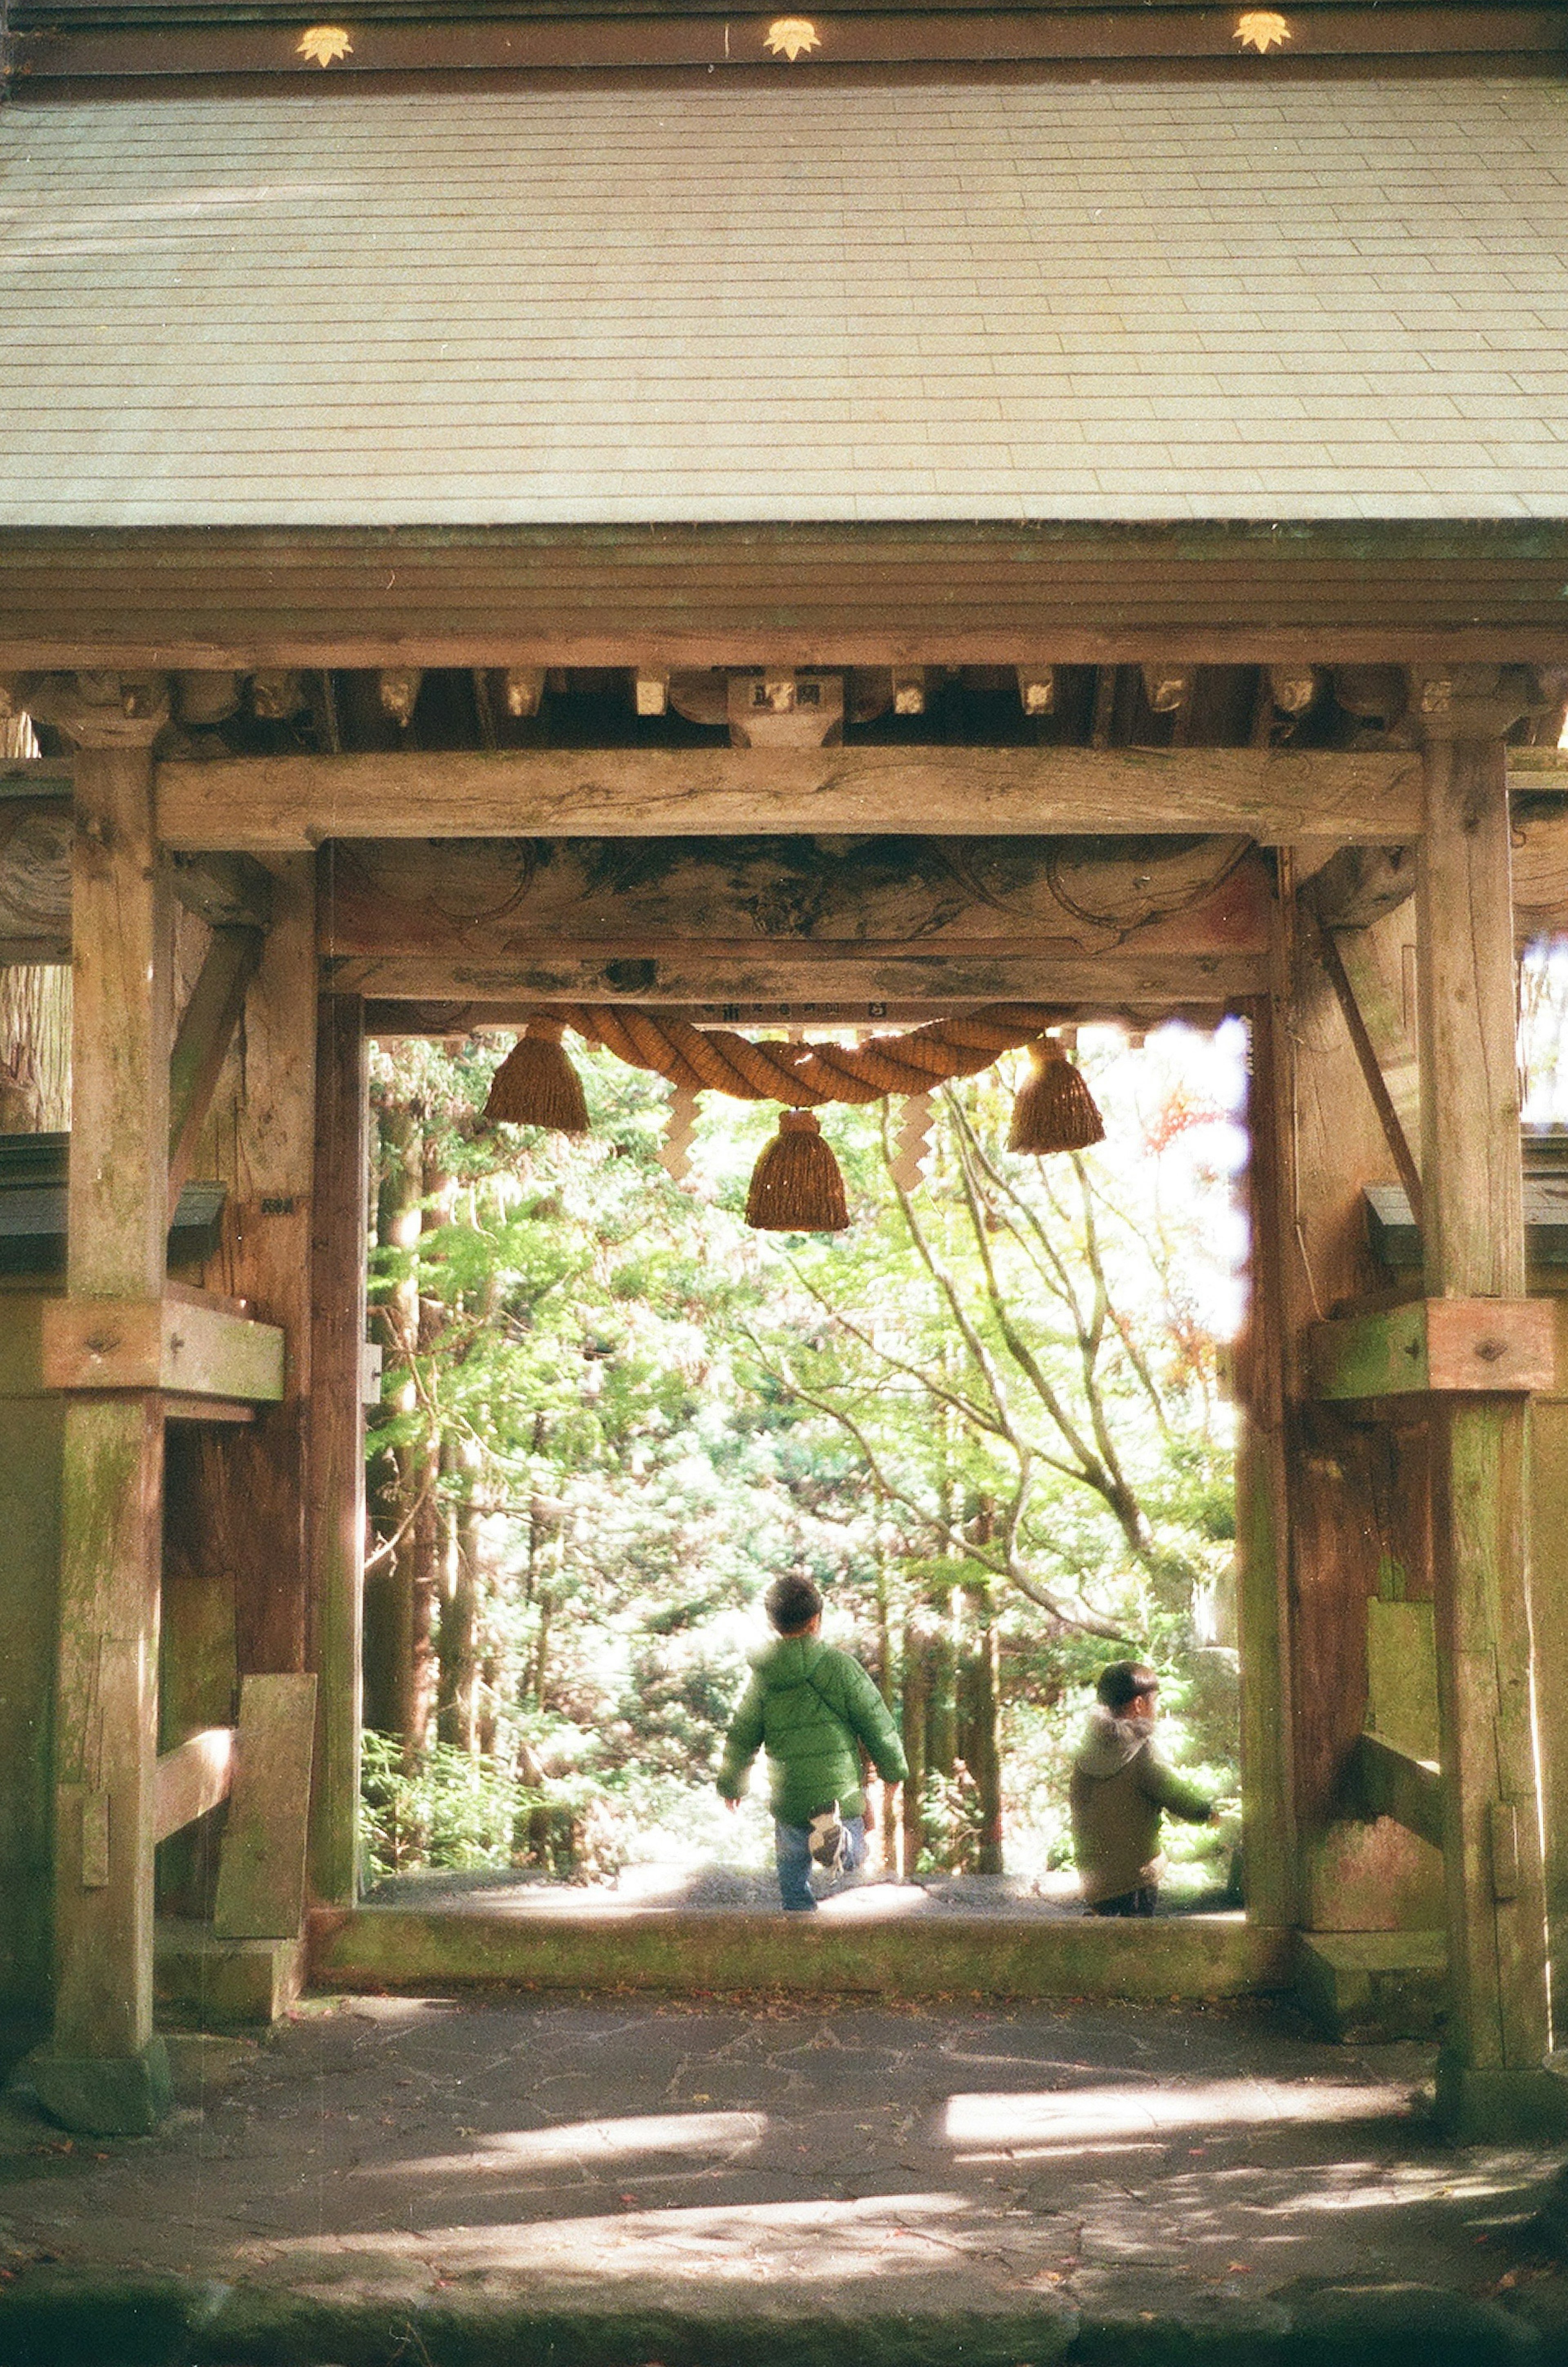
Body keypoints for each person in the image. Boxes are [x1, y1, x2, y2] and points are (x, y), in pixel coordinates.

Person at [717, 1572, 910, 1913]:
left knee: (791, 1868)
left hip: (790, 1797)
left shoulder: (764, 1676)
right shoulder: (841, 1666)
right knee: (854, 1856)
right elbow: (876, 1721)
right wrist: (892, 1769)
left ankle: (797, 1914)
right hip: (839, 1795)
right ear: (816, 1620)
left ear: (774, 1622)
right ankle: (841, 1843)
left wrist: (732, 1784)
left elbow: (743, 1734)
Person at [1069, 1659, 1216, 1917]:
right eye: (1155, 1701)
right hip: (1136, 1877)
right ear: (1139, 1704)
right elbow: (1172, 1791)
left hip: (1095, 1880)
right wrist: (1205, 1813)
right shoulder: (1142, 1750)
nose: (1156, 1708)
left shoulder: (1085, 1751)